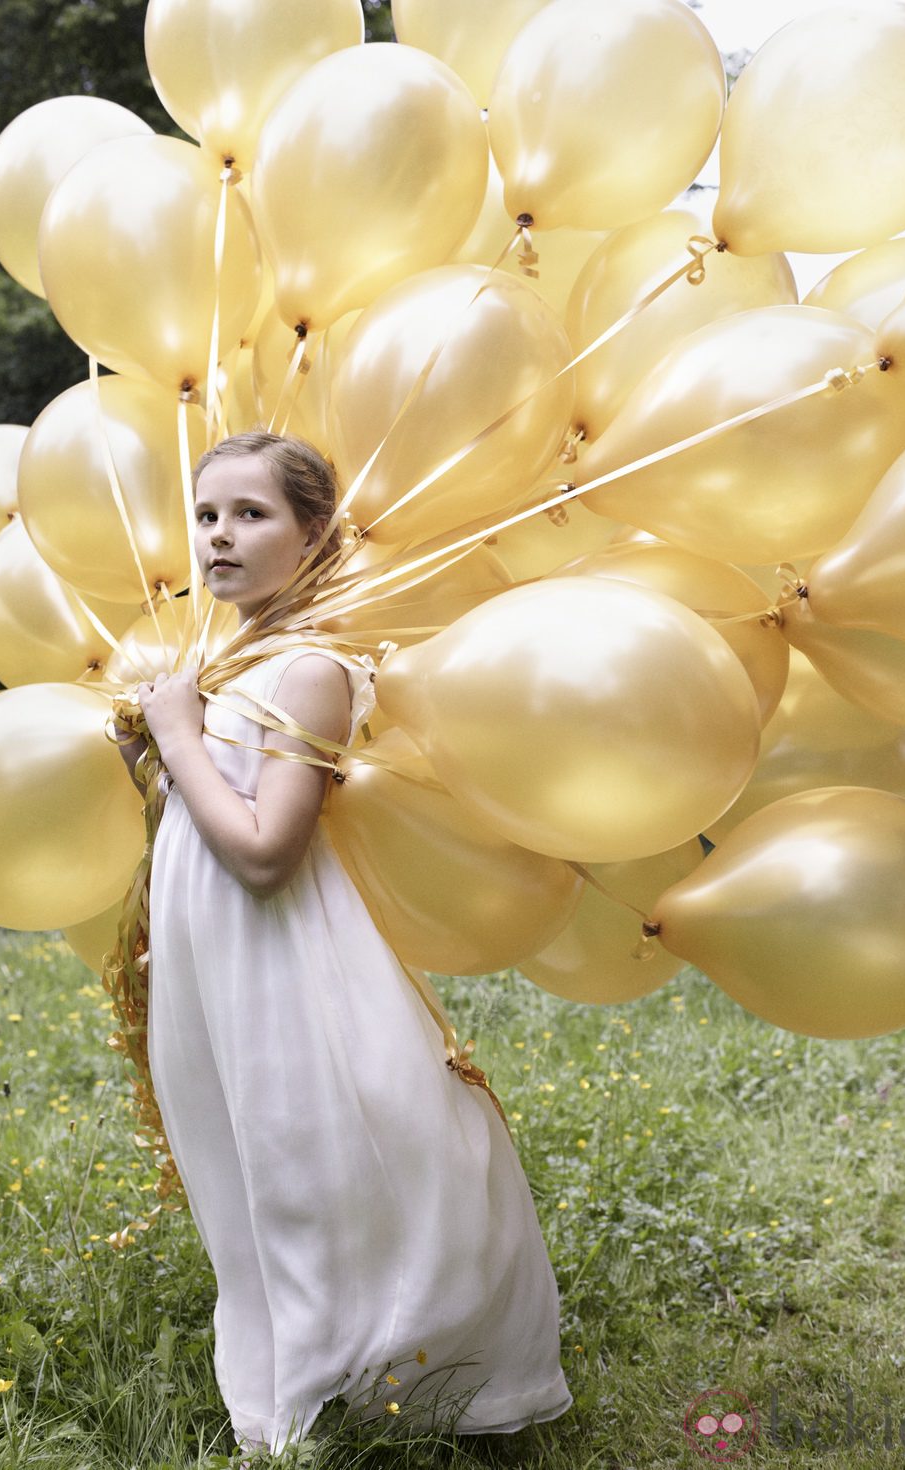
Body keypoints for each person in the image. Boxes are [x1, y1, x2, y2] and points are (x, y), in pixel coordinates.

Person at [115, 431, 573, 1458]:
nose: (220, 537)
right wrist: (157, 754)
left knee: (306, 1146)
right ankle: (293, 1360)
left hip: (280, 952)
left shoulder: (309, 671)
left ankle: (372, 1365)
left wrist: (183, 736)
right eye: (206, 516)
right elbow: (200, 818)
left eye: (251, 515)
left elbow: (270, 852)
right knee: (237, 1150)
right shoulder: (218, 662)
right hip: (214, 957)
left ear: (313, 537)